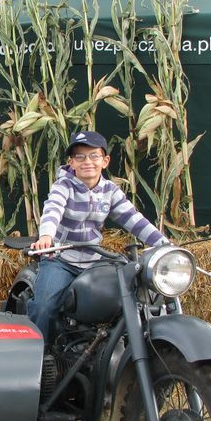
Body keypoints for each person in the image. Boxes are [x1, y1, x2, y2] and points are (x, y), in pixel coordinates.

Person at [27, 130, 168, 342]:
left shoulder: (110, 191)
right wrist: (46, 236)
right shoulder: (63, 186)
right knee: (44, 305)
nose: (87, 162)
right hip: (61, 258)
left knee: (130, 292)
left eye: (94, 155)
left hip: (95, 260)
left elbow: (134, 219)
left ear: (105, 161)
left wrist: (164, 244)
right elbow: (52, 210)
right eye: (80, 157)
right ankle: (36, 357)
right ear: (71, 162)